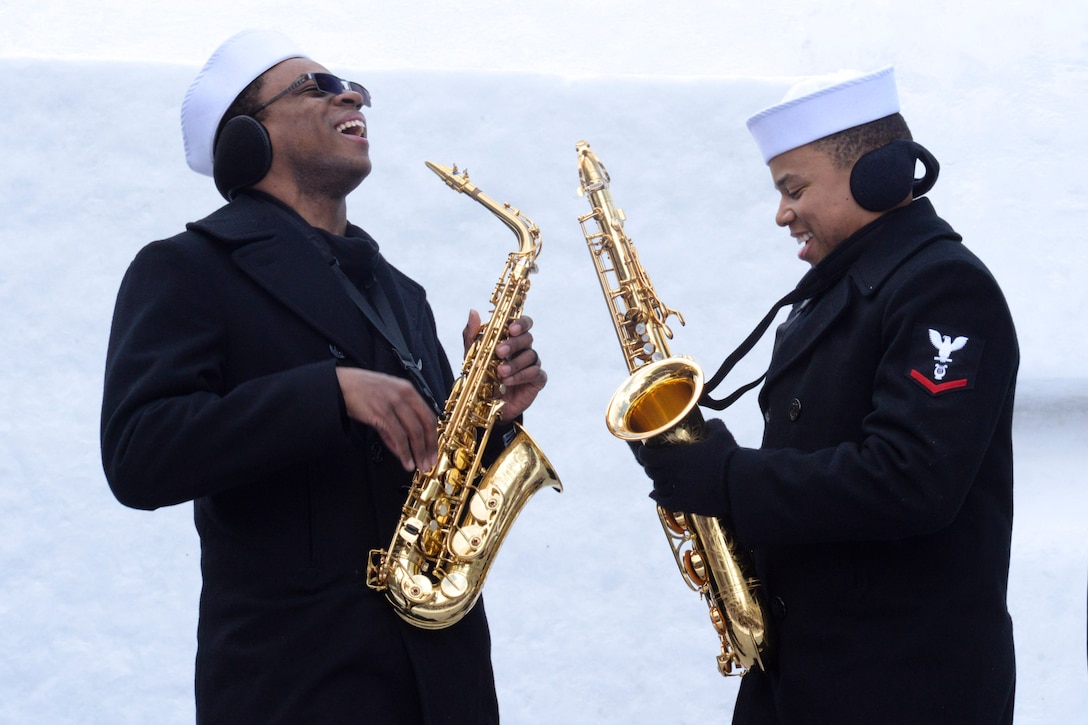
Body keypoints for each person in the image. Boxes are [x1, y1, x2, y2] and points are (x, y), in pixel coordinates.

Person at [100, 29, 548, 724]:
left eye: (352, 84)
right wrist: (328, 391)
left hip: (444, 684)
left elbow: (431, 481)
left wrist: (490, 416)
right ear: (248, 137)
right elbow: (138, 452)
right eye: (317, 86)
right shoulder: (186, 268)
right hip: (297, 685)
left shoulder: (404, 295)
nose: (352, 93)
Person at [636, 67, 1018, 723]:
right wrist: (702, 482)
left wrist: (727, 478)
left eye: (793, 188)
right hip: (800, 681)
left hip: (903, 690)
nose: (782, 212)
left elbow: (911, 480)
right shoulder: (832, 295)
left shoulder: (945, 287)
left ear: (879, 175)